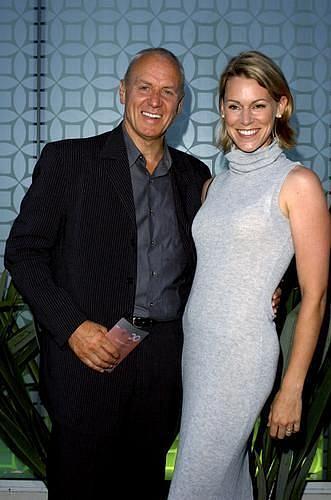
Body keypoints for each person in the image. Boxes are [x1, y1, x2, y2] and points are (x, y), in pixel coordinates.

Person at [4, 48, 211, 500]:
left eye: (167, 91)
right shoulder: (68, 162)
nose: (155, 100)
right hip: (87, 361)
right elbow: (23, 253)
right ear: (122, 92)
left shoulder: (196, 177)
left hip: (163, 368)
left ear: (179, 104)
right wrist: (72, 328)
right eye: (144, 87)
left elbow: (209, 266)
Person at [168, 51, 330, 500]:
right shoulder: (214, 185)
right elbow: (225, 266)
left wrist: (292, 388)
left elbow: (315, 297)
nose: (245, 118)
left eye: (258, 104)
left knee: (192, 487)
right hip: (198, 351)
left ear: (281, 106)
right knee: (223, 483)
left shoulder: (298, 184)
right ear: (222, 109)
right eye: (234, 105)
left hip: (240, 358)